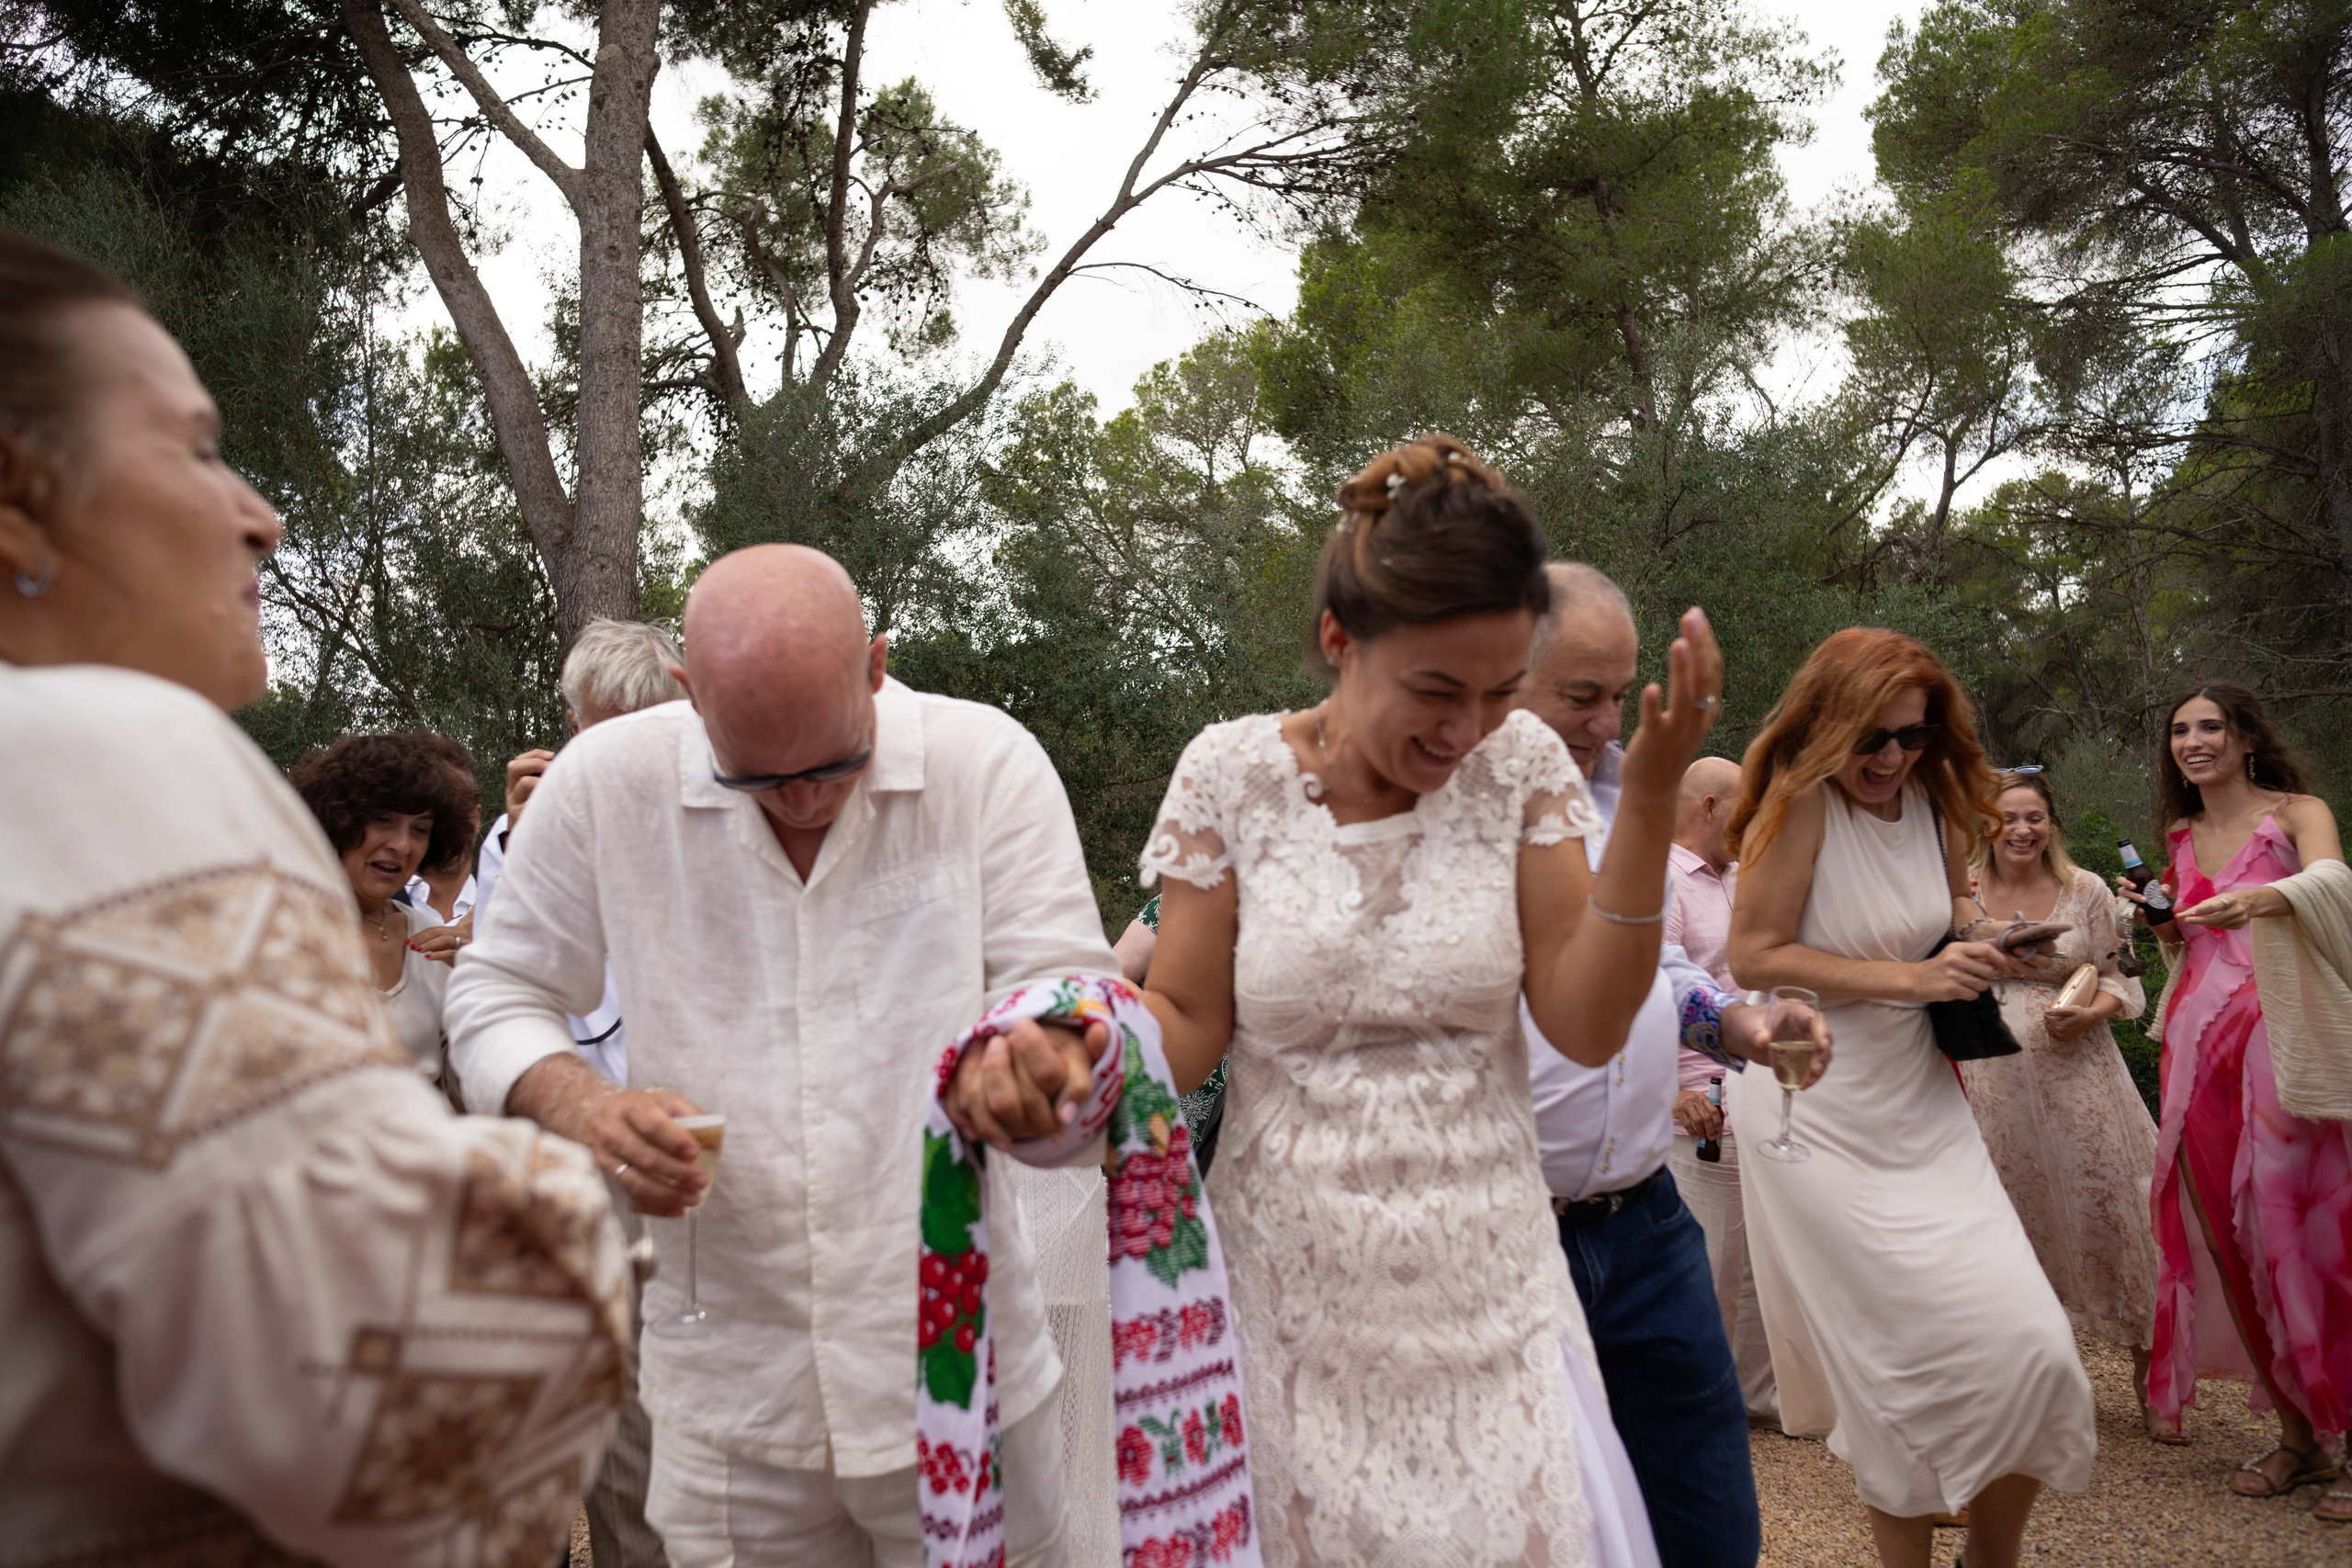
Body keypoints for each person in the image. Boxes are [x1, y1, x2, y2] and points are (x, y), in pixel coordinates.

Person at [0, 229, 627, 1565]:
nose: (261, 513)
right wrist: (565, 1201)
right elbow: (403, 1392)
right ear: (14, 500)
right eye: (190, 446)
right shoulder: (100, 752)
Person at [447, 543, 1115, 1567]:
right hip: (726, 1392)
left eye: (833, 766)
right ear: (687, 693)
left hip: (958, 1368)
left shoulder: (982, 761)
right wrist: (579, 1102)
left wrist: (1042, 1067)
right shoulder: (606, 782)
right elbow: (498, 990)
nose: (802, 801)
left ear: (877, 667)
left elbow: (1070, 991)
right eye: (759, 775)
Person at [1128, 433, 1727, 1567]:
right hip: (1292, 1288)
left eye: (1501, 694)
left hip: (1490, 1282)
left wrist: (1645, 803)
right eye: (1436, 691)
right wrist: (1082, 1042)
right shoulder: (1229, 774)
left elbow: (1585, 1023)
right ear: (1337, 642)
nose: (1465, 734)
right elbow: (1190, 1025)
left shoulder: (1523, 773)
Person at [1724, 627, 2095, 1568]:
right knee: (1896, 1369)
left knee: (2035, 1345)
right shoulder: (1798, 804)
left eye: (1914, 736)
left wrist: (2000, 945)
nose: (1891, 758)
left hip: (1922, 1108)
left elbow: (1946, 922)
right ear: (1825, 724)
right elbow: (1754, 956)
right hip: (1815, 1110)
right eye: (1872, 738)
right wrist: (1910, 980)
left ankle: (1990, 1560)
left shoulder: (1930, 803)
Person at [1517, 569, 1811, 1568]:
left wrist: (1741, 1026)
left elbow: (1669, 964)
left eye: (1621, 691)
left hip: (1647, 1226)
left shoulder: (1618, 801)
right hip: (1509, 1236)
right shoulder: (1428, 809)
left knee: (1711, 1527)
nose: (1608, 721)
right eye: (1581, 695)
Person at [469, 616, 688, 1568]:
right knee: (626, 1419)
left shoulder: (717, 810)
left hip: (709, 1143)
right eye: (592, 728)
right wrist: (526, 841)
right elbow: (501, 989)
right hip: (590, 1148)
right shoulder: (526, 832)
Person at [2123, 680, 2352, 1523]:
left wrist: (2266, 896)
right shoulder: (2179, 835)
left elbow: (2336, 883)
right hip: (2196, 1050)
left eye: (2210, 725)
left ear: (2246, 735)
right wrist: (2156, 921)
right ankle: (2301, 1435)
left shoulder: (2298, 813)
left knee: (2310, 1230)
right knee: (2229, 1235)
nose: (2194, 741)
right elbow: (2189, 937)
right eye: (2180, 730)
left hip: (2284, 1043)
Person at [1961, 769, 2163, 1437]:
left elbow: (2123, 973)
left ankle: (2152, 1376)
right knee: (2012, 1218)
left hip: (2080, 1076)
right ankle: (2026, 1387)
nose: (2022, 829)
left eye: (2035, 818)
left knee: (2112, 1208)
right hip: (1991, 1078)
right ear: (1987, 824)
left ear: (2053, 824)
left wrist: (2092, 1011)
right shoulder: (1959, 889)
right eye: (2008, 817)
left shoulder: (2088, 889)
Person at [1659, 755, 1779, 1429]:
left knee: (1764, 1257)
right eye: (1747, 805)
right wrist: (1672, 1089)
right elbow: (1648, 991)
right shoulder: (1661, 878)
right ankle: (1695, 1409)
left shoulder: (1745, 880)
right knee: (1709, 1260)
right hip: (1696, 1101)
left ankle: (1763, 1397)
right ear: (1709, 806)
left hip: (1760, 1094)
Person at [291, 731, 478, 1078]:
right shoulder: (282, 927)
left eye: (420, 829)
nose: (402, 845)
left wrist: (483, 977)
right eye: (383, 821)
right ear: (339, 819)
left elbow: (466, 1086)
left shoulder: (431, 944)